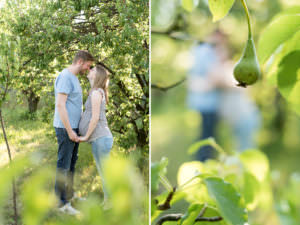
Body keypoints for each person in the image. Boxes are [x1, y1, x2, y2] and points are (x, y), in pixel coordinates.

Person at [187, 29, 261, 161]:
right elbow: (211, 80)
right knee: (209, 138)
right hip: (221, 112)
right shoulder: (206, 55)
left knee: (242, 147)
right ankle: (204, 163)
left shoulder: (230, 67)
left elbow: (239, 85)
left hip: (242, 116)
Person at [53, 50, 94, 215]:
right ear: (80, 62)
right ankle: (60, 204)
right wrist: (70, 131)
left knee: (71, 165)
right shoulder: (65, 77)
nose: (89, 70)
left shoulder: (74, 78)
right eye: (88, 66)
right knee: (63, 166)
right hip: (65, 128)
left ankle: (69, 196)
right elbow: (60, 105)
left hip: (74, 128)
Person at [78, 64, 113, 208]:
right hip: (99, 139)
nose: (89, 70)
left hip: (100, 138)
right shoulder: (95, 92)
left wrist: (85, 136)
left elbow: (95, 118)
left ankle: (110, 203)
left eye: (92, 69)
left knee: (105, 173)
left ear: (97, 75)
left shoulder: (96, 93)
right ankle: (107, 201)